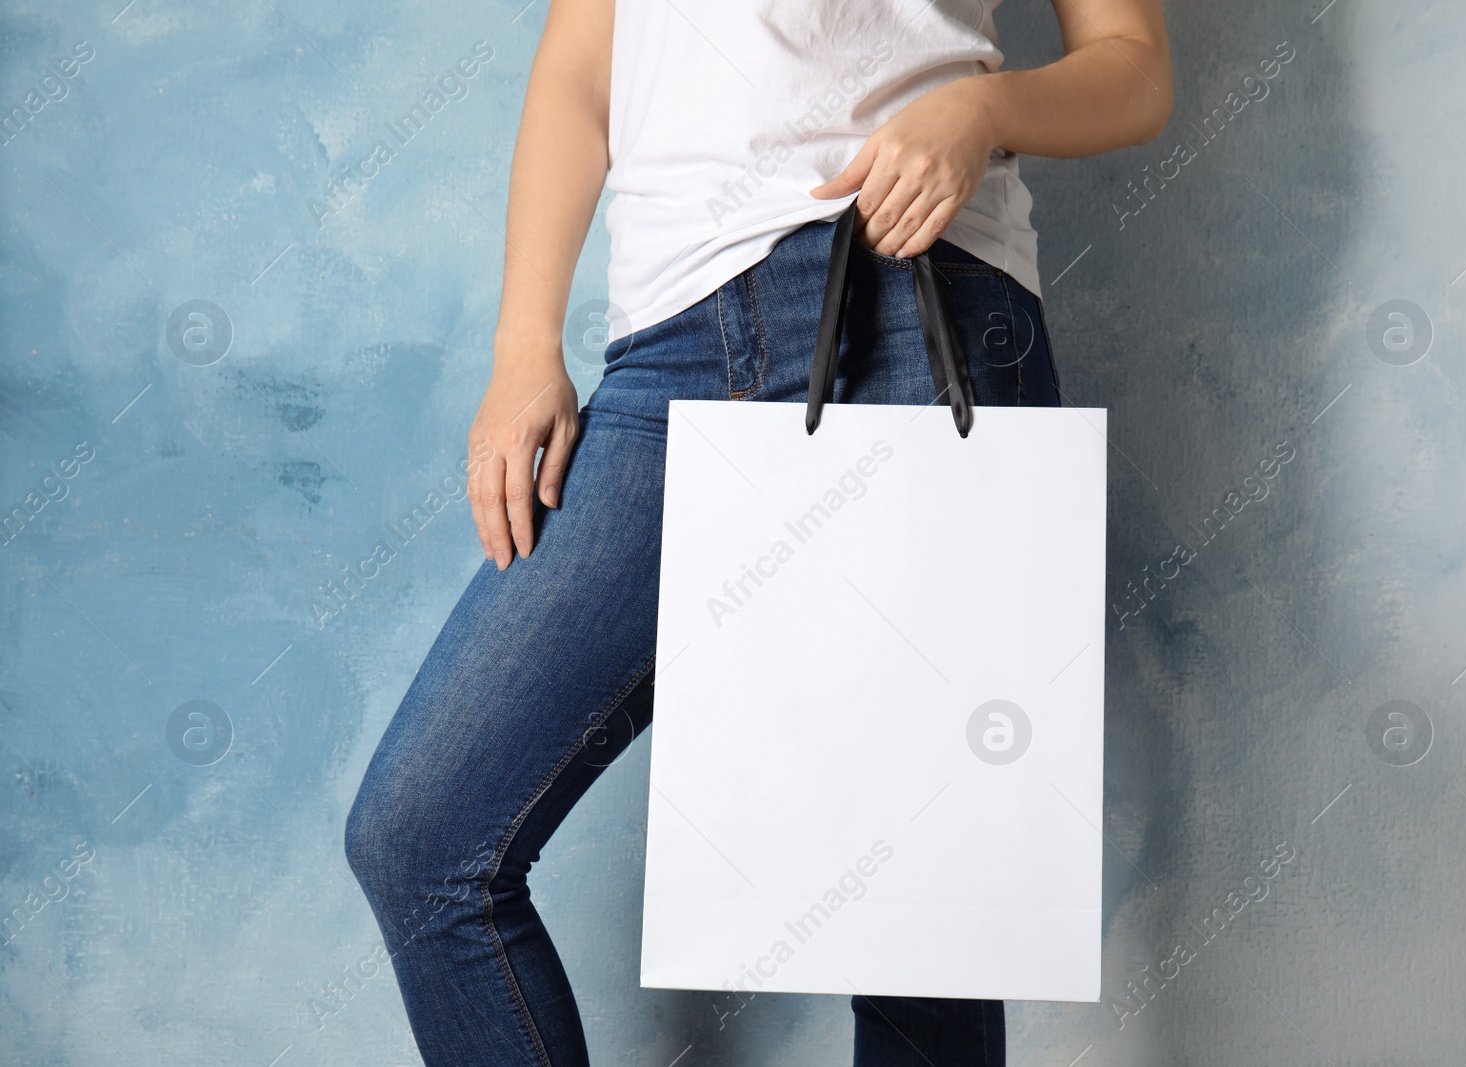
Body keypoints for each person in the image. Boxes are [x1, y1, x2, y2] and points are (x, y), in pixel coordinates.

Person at [345, 0, 1171, 1063]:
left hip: (916, 301)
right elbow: (581, 63)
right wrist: (521, 342)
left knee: (923, 926)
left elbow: (1133, 65)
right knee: (421, 835)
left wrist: (980, 109)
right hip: (673, 343)